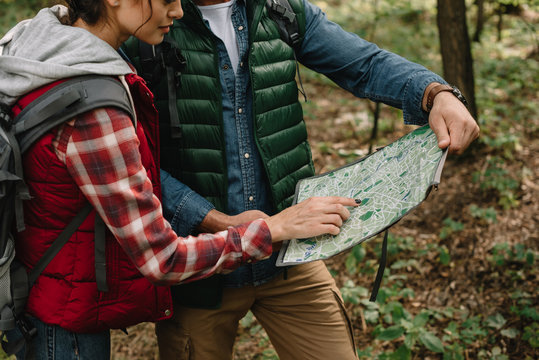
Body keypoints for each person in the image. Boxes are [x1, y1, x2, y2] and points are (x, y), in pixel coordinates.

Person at [122, 0, 480, 359]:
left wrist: (435, 94)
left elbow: (364, 63)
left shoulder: (279, 9)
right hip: (200, 271)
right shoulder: (147, 19)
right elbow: (130, 161)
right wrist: (218, 221)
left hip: (290, 259)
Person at [0, 1, 359, 358]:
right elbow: (162, 258)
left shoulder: (43, 43)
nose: (178, 10)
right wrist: (274, 229)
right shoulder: (93, 107)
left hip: (45, 287)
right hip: (64, 321)